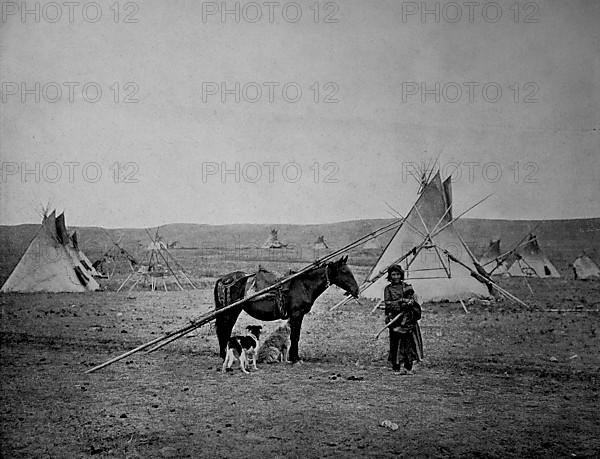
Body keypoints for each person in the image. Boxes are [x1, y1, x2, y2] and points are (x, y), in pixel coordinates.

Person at [384, 264, 423, 374]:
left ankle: (408, 366)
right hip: (395, 319)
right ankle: (396, 366)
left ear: (401, 275)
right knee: (396, 343)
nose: (395, 277)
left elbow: (413, 300)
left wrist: (410, 303)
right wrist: (401, 302)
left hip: (408, 319)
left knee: (408, 343)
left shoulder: (407, 287)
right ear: (390, 276)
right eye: (393, 275)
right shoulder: (388, 289)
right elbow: (388, 304)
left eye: (397, 274)